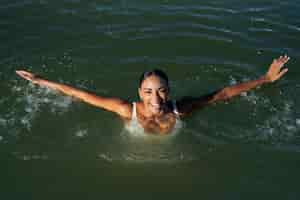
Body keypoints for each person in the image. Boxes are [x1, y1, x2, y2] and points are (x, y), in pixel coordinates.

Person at [16, 55, 290, 135]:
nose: (156, 99)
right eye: (148, 92)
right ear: (139, 93)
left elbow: (223, 94)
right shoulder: (126, 110)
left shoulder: (181, 109)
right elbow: (82, 95)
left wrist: (265, 79)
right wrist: (40, 81)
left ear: (169, 92)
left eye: (161, 91)